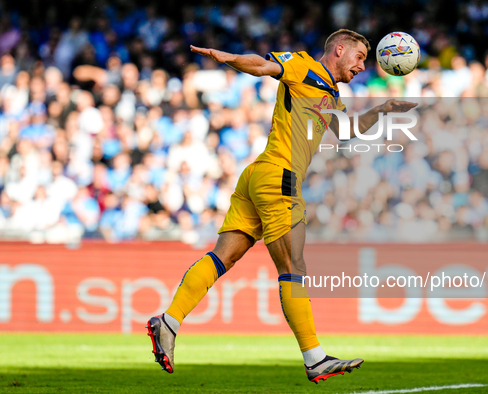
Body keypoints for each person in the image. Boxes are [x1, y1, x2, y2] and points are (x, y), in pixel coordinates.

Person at [146, 28, 417, 383]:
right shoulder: (303, 66)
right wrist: (228, 58)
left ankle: (168, 321)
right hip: (279, 178)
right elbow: (262, 67)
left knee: (222, 257)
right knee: (293, 267)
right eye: (360, 58)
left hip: (258, 176)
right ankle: (315, 358)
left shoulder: (330, 93)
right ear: (339, 49)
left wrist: (383, 109)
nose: (363, 66)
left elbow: (347, 131)